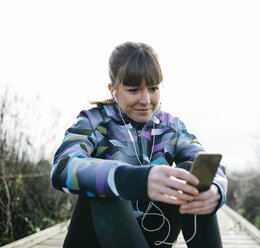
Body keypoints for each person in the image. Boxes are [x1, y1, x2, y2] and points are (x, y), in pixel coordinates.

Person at [50, 41, 228, 248]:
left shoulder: (172, 127)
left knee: (194, 174)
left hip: (154, 236)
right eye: (134, 90)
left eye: (153, 88)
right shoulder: (93, 122)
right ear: (113, 90)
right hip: (97, 239)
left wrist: (215, 190)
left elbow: (204, 162)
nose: (146, 100)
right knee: (104, 186)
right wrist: (133, 179)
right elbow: (62, 167)